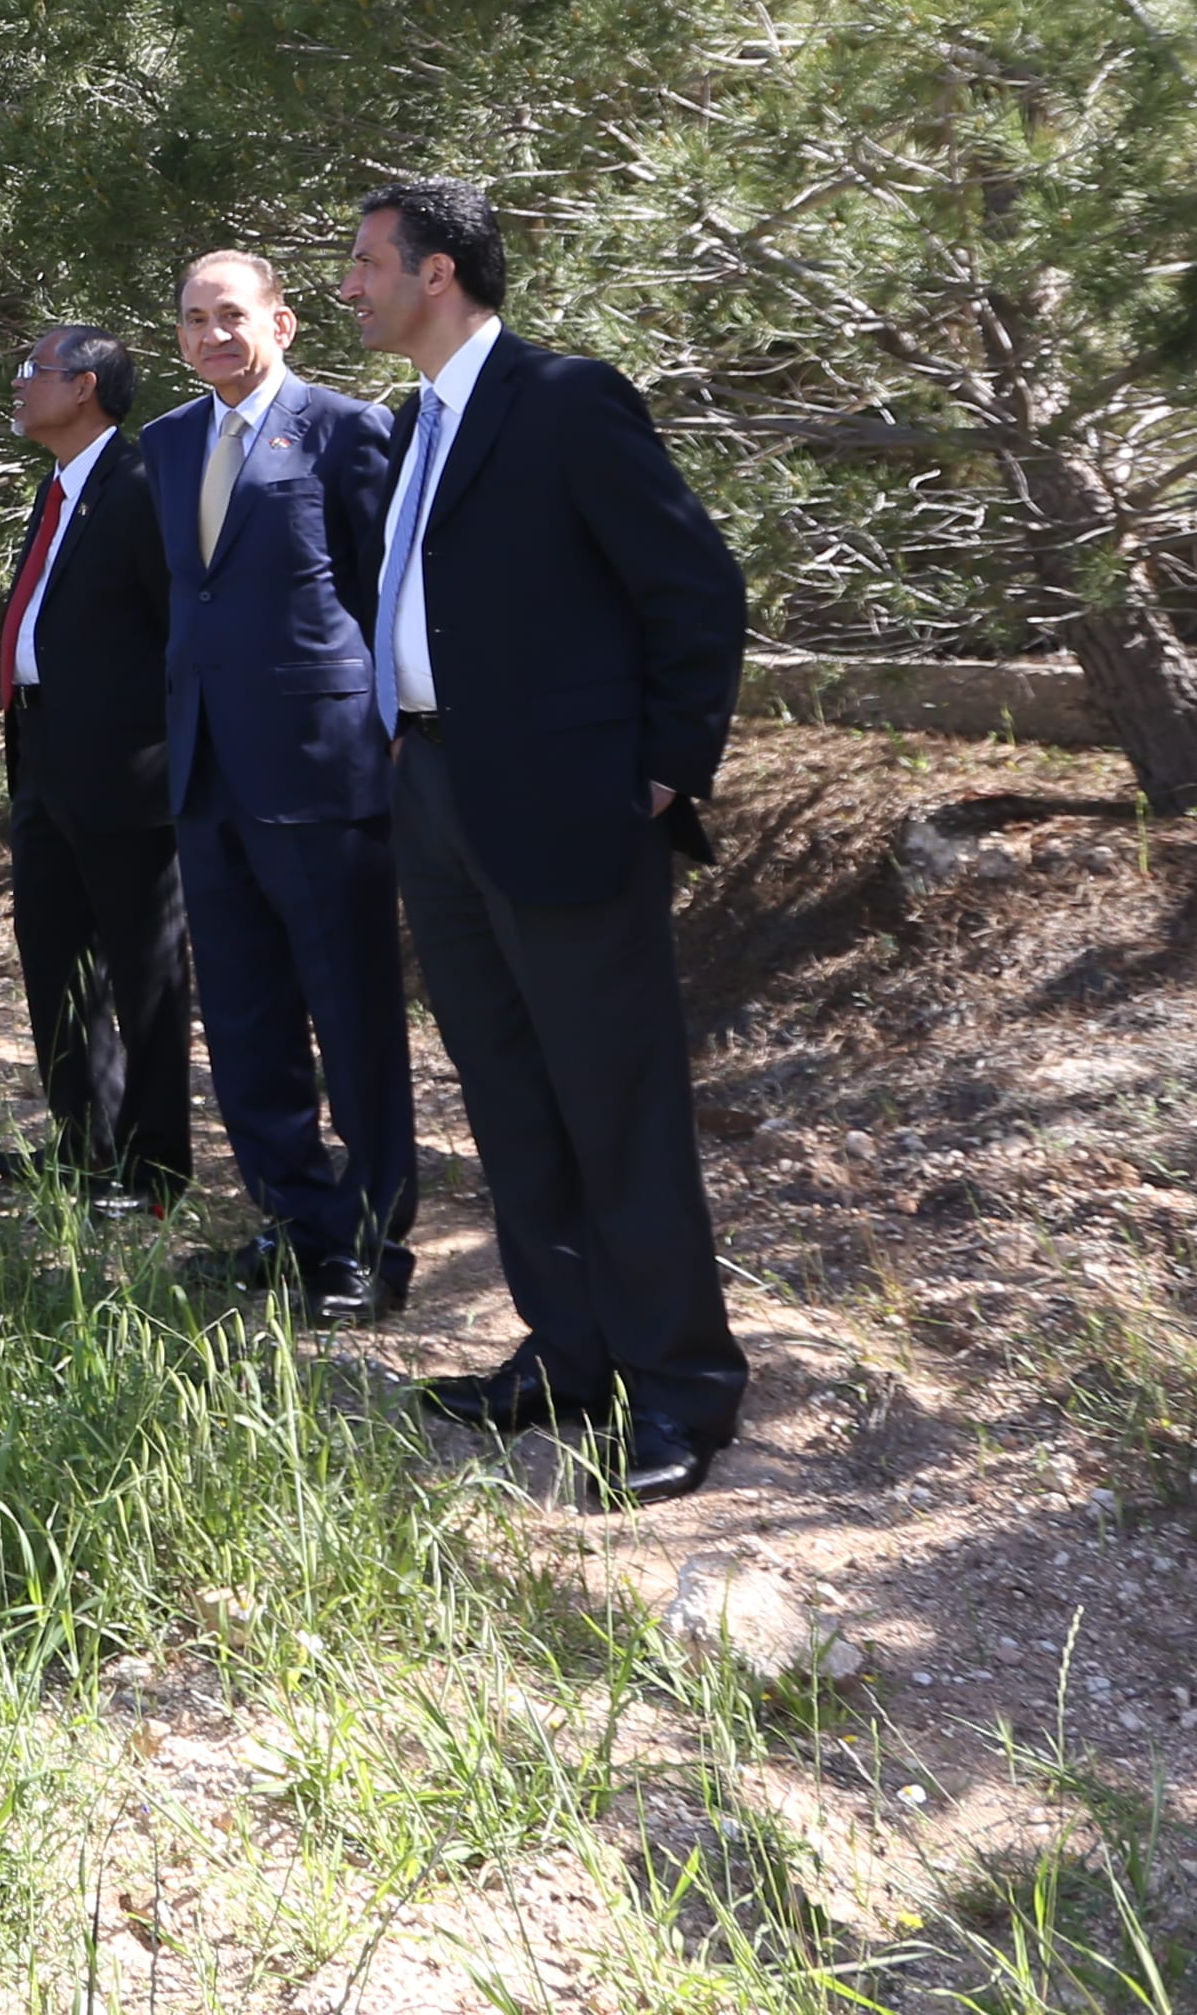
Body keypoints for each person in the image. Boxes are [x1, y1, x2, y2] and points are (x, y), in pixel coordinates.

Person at [340, 175, 755, 1502]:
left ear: (439, 272)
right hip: (437, 796)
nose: (349, 286)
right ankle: (569, 1356)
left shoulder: (567, 401)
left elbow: (695, 587)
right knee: (511, 1099)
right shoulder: (416, 425)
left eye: (366, 263)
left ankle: (682, 1390)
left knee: (616, 1108)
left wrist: (659, 771)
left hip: (569, 807)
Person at [149, 249, 412, 1320]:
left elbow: (385, 592)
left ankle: (375, 1246)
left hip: (320, 768)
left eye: (232, 315)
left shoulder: (348, 432)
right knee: (248, 1020)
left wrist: (390, 732)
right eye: (193, 320)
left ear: (284, 323)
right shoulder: (166, 445)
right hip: (207, 772)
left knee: (350, 1017)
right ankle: (297, 1227)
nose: (213, 334)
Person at [0, 322, 189, 1207]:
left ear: (84, 387)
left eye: (32, 371)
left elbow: (180, 631)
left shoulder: (142, 486)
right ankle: (85, 1143)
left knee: (143, 973)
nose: (18, 384)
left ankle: (153, 1170)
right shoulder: (56, 490)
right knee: (55, 957)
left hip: (127, 771)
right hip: (41, 757)